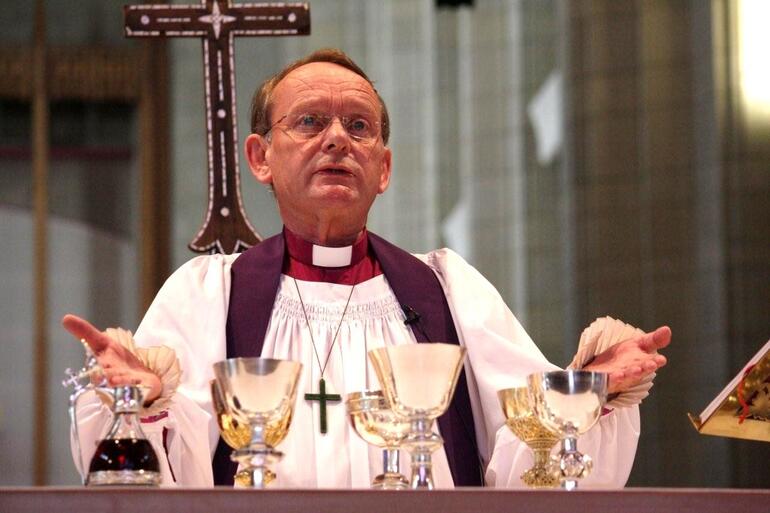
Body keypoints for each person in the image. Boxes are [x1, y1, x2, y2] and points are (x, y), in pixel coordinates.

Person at [63, 48, 670, 488]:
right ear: (260, 157)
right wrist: (136, 404)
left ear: (383, 167)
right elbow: (166, 470)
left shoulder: (446, 291)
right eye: (308, 122)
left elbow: (527, 453)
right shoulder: (208, 295)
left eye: (359, 127)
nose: (336, 140)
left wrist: (592, 392)